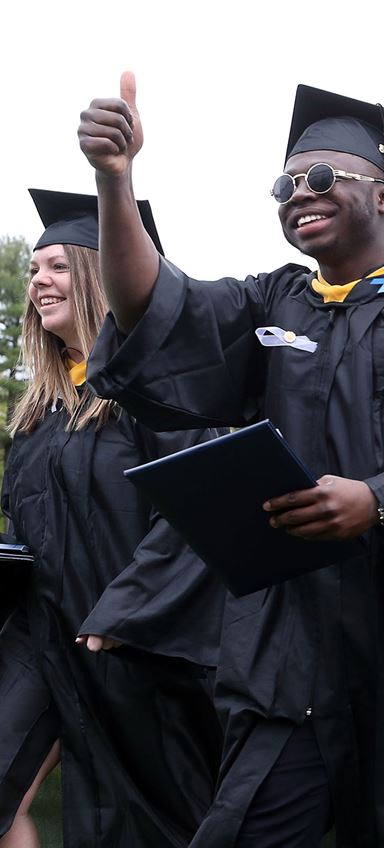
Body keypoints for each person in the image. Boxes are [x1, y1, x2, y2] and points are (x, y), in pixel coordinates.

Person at [77, 75, 384, 847]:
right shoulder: (275, 305)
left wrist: (382, 499)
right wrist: (115, 180)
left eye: (325, 178)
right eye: (286, 184)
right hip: (289, 653)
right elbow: (153, 308)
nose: (301, 193)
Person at [0, 190, 223, 847]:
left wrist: (125, 611)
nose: (38, 279)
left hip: (140, 647)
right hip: (43, 640)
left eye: (57, 266)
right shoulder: (38, 413)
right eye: (33, 269)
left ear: (101, 273)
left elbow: (197, 511)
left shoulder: (163, 387)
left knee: (154, 824)